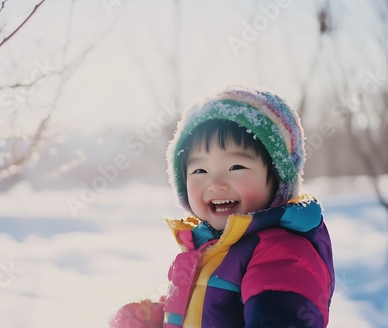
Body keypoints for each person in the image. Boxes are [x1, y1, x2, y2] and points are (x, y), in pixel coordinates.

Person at [110, 86, 335, 328]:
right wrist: (155, 317)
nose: (215, 184)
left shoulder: (282, 254)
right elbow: (204, 309)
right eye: (200, 170)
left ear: (277, 178)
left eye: (236, 167)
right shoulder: (210, 248)